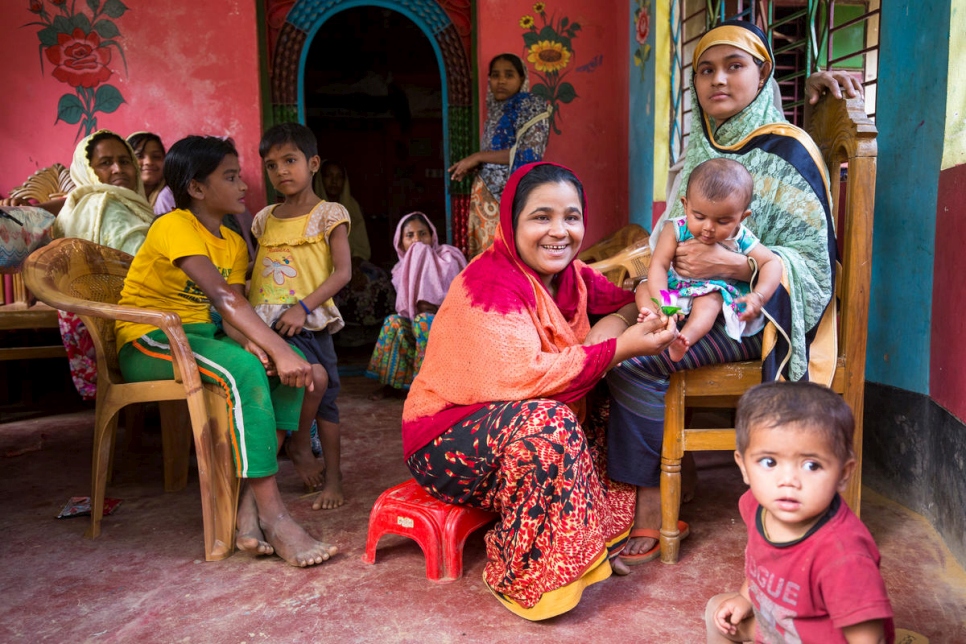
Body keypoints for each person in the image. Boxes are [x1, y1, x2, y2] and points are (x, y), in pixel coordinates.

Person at [608, 20, 840, 566]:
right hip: (686, 295)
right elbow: (670, 238)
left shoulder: (791, 150)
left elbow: (814, 266)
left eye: (735, 66)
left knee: (636, 360)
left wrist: (733, 267)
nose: (719, 80)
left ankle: (649, 508)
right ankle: (644, 481)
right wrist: (647, 282)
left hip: (748, 315)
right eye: (706, 69)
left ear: (762, 76)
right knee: (605, 334)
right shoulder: (701, 154)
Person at [402, 162, 678, 620]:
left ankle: (589, 537)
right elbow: (524, 379)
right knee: (552, 421)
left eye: (571, 217)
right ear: (511, 224)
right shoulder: (487, 284)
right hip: (445, 440)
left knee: (616, 389)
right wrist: (615, 347)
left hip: (508, 433)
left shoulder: (574, 278)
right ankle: (531, 575)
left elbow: (630, 299)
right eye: (541, 217)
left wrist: (655, 295)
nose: (559, 232)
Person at [114, 135, 337, 567]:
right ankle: (275, 516)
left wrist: (261, 347)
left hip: (204, 338)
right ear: (196, 188)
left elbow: (232, 316)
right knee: (248, 370)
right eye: (231, 177)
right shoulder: (174, 225)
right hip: (152, 339)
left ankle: (247, 509)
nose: (243, 186)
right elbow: (224, 298)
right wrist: (274, 347)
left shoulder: (233, 243)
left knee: (280, 370)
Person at [706, 381, 894, 643]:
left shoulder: (843, 556)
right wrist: (744, 598)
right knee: (718, 613)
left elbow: (868, 639)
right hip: (777, 629)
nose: (789, 480)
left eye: (811, 465)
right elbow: (762, 566)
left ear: (843, 474)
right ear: (744, 467)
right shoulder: (755, 505)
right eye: (769, 462)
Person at [251, 123, 352, 510]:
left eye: (290, 160)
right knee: (292, 387)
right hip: (266, 325)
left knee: (324, 395)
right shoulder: (263, 219)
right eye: (272, 165)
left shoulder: (329, 214)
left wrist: (302, 307)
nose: (281, 171)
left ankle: (333, 477)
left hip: (310, 321)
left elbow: (342, 273)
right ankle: (293, 446)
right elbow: (259, 271)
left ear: (312, 163)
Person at [52, 130, 157, 400]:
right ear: (88, 170)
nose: (118, 169)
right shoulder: (107, 206)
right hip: (129, 329)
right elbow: (146, 270)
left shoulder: (79, 205)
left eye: (124, 161)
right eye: (105, 163)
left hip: (97, 330)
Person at [643, 158, 781, 363]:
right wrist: (664, 303)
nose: (708, 227)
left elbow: (772, 263)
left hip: (709, 290)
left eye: (723, 221)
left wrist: (759, 296)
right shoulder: (675, 229)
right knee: (644, 289)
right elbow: (659, 266)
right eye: (699, 217)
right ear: (685, 205)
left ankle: (683, 339)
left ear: (742, 217)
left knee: (710, 302)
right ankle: (659, 319)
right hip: (672, 291)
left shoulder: (740, 237)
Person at [448, 53, 552, 258]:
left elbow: (529, 155)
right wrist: (474, 165)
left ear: (522, 79)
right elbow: (494, 159)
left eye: (509, 75)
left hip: (509, 198)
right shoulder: (495, 111)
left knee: (508, 259)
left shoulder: (531, 107)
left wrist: (478, 157)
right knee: (486, 260)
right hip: (485, 198)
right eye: (495, 75)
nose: (501, 81)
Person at [365, 211, 466, 399]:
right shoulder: (399, 270)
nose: (417, 241)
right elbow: (404, 310)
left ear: (432, 235)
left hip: (450, 328)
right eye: (409, 235)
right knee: (393, 322)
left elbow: (460, 302)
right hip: (416, 324)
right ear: (400, 242)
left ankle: (427, 387)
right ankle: (392, 385)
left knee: (423, 321)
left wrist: (435, 309)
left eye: (423, 233)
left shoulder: (448, 258)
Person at [317, 159, 395, 342]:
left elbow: (360, 245)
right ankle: (337, 336)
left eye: (339, 177)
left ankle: (370, 334)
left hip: (352, 262)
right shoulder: (313, 209)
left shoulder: (351, 206)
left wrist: (355, 269)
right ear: (320, 179)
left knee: (380, 280)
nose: (334, 181)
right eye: (329, 176)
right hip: (324, 266)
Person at [126, 131, 176, 215]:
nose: (149, 162)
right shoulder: (119, 201)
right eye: (139, 156)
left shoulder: (171, 197)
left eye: (156, 157)